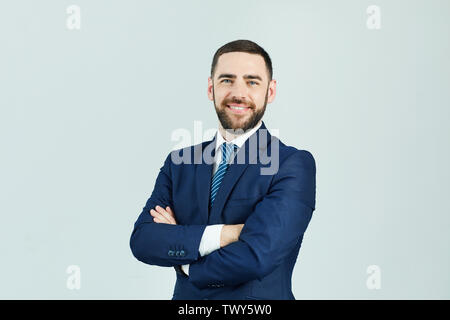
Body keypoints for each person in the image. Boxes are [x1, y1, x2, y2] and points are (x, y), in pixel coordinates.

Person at [129, 39, 316, 300]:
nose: (238, 93)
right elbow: (144, 240)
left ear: (270, 92)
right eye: (227, 80)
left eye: (252, 82)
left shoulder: (292, 164)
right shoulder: (179, 163)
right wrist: (228, 234)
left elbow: (257, 256)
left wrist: (185, 260)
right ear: (210, 88)